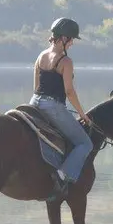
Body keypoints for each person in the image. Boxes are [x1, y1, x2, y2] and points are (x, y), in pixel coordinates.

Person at [30, 17, 93, 198]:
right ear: (63, 38)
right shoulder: (66, 62)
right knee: (85, 143)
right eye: (72, 39)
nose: (72, 43)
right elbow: (69, 91)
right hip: (53, 106)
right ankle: (62, 175)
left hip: (35, 102)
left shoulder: (41, 56)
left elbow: (36, 87)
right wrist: (83, 115)